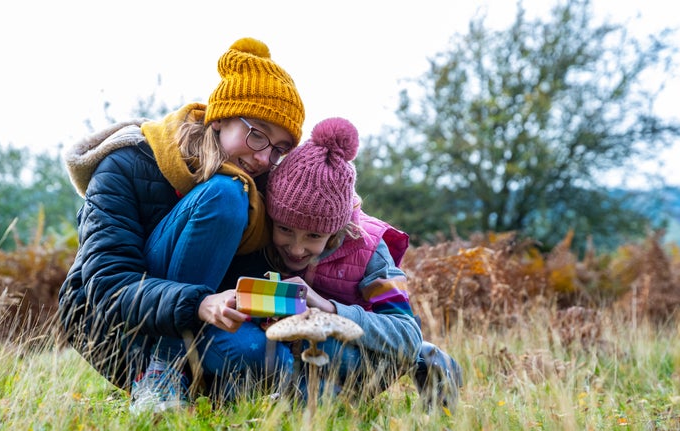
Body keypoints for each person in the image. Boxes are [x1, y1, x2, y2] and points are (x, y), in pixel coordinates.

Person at [58, 37, 305, 414]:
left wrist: (270, 303)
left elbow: (247, 281)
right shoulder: (128, 163)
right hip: (116, 325)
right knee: (224, 194)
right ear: (221, 117)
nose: (263, 156)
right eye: (257, 134)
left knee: (268, 358)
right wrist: (199, 302)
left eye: (279, 149)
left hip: (201, 319)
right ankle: (162, 372)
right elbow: (107, 284)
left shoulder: (265, 187)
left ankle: (195, 385)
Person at [226, 117, 463, 409]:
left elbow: (407, 333)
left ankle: (428, 362)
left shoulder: (371, 249)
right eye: (285, 229)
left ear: (336, 230)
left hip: (353, 353)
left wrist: (328, 309)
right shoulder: (259, 235)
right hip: (289, 352)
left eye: (314, 235)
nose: (297, 248)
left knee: (326, 355)